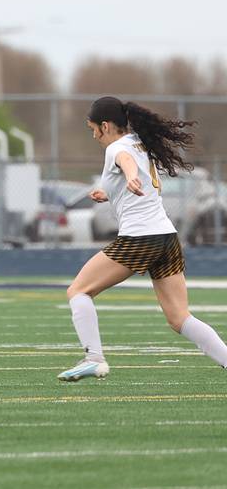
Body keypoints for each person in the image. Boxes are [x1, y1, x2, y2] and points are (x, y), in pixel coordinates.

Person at [58, 96, 227, 381]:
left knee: (78, 291)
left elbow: (125, 162)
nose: (93, 135)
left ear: (105, 125)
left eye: (93, 129)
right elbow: (132, 174)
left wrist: (131, 175)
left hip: (141, 238)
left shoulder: (116, 148)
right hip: (166, 237)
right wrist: (111, 192)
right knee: (179, 317)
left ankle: (94, 358)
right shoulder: (138, 141)